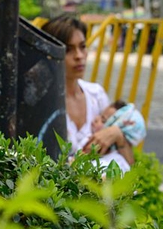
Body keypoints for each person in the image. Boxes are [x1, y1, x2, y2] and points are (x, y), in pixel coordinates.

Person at [41, 15, 135, 170]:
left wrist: (117, 135)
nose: (79, 56)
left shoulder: (96, 95)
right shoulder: (42, 102)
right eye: (68, 50)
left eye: (83, 46)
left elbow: (129, 166)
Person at [76, 100, 146, 173]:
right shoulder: (86, 139)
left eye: (103, 120)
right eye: (100, 115)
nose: (96, 118)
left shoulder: (115, 164)